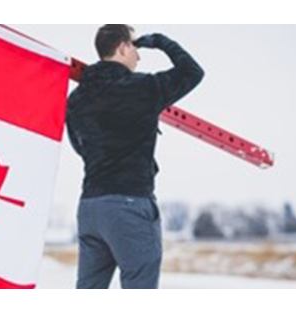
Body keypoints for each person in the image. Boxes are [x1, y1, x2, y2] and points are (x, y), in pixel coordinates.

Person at [66, 24, 205, 289]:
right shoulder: (143, 87)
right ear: (122, 47)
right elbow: (192, 72)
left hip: (91, 206)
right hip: (129, 204)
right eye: (136, 46)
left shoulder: (77, 98)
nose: (139, 56)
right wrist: (159, 41)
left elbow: (79, 144)